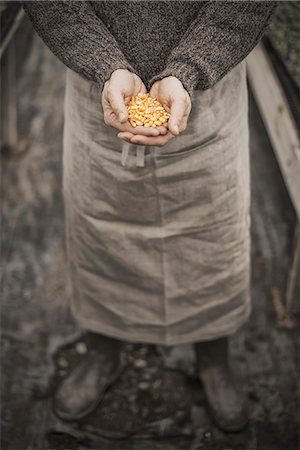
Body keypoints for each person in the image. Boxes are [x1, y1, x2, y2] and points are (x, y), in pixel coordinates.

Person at [23, 0, 277, 432]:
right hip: (99, 96)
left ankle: (213, 357)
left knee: (210, 246)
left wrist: (189, 67)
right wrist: (105, 62)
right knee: (102, 240)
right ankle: (103, 350)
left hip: (208, 100)